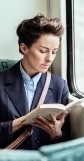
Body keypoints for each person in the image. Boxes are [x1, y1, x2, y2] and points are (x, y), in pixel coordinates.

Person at [0, 14, 71, 149]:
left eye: (54, 52)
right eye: (43, 51)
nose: (50, 59)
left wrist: (57, 135)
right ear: (24, 48)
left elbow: (66, 139)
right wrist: (25, 121)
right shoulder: (1, 82)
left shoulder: (59, 85)